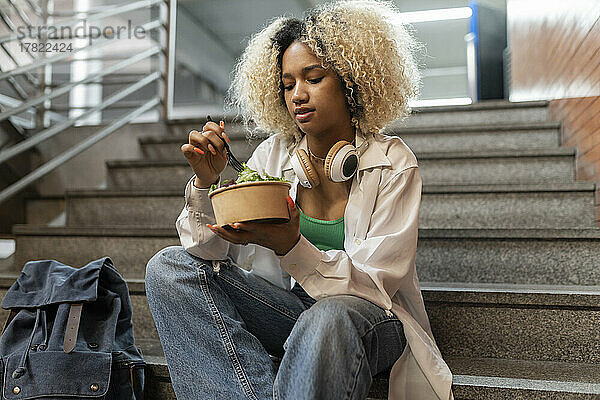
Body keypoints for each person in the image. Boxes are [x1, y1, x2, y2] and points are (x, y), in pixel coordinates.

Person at [145, 1, 454, 399]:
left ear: (350, 82)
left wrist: (291, 246)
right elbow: (208, 250)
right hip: (290, 309)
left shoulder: (394, 163)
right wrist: (207, 183)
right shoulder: (272, 158)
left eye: (314, 78)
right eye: (288, 84)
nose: (298, 96)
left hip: (369, 315)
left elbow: (375, 286)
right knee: (169, 268)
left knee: (327, 315)